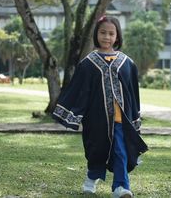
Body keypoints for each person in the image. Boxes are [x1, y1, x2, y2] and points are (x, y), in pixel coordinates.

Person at [52, 15, 148, 198]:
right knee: (97, 152)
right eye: (103, 32)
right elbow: (79, 91)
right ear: (96, 35)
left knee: (120, 152)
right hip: (97, 121)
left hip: (121, 120)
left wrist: (135, 117)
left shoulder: (127, 63)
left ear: (117, 37)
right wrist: (74, 115)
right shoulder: (88, 64)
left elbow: (133, 93)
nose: (107, 37)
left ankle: (120, 188)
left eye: (111, 33)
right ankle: (91, 178)